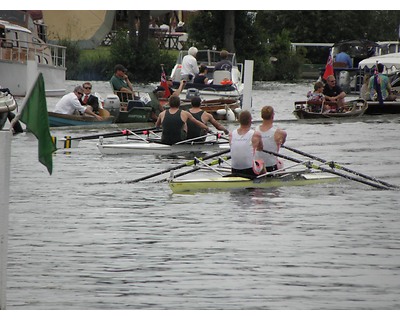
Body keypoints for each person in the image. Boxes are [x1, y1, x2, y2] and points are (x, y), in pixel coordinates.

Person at [252, 106, 287, 173]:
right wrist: (282, 141)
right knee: (281, 162)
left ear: (262, 116)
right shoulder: (280, 133)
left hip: (257, 167)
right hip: (271, 167)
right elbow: (284, 135)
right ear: (273, 116)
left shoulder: (254, 131)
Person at [229, 110, 257, 178]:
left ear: (239, 120)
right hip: (250, 170)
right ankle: (266, 180)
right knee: (261, 162)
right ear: (250, 120)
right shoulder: (255, 134)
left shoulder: (231, 134)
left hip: (234, 169)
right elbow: (260, 149)